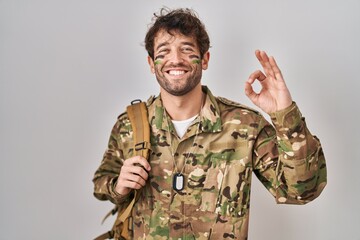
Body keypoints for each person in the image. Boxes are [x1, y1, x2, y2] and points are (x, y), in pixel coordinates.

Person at [93, 8, 327, 240]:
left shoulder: (244, 126)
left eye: (187, 49)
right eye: (164, 51)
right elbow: (101, 184)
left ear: (204, 59)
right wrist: (118, 186)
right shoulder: (130, 125)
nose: (176, 59)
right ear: (151, 63)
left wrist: (285, 115)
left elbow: (301, 192)